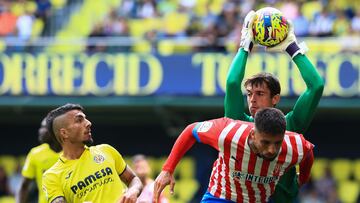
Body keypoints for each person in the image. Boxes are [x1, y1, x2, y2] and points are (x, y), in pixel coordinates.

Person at [225, 10, 324, 202]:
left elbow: (316, 86)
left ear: (275, 99)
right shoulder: (238, 123)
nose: (252, 99)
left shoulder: (289, 125)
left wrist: (292, 48)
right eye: (250, 94)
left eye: (260, 94)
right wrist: (245, 45)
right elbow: (231, 84)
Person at [153, 107, 314, 203]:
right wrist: (168, 169)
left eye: (277, 143)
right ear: (252, 135)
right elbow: (191, 130)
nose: (272, 149)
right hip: (220, 197)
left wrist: (303, 178)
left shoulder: (295, 144)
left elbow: (308, 153)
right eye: (265, 142)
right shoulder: (229, 132)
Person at [42, 103, 142, 203]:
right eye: (79, 120)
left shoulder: (106, 150)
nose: (88, 123)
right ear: (64, 133)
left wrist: (133, 190)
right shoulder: (52, 176)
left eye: (85, 119)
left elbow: (133, 179)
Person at [17, 117, 62, 203]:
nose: (40, 131)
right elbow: (24, 186)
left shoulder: (72, 152)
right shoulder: (35, 153)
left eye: (44, 127)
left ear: (56, 130)